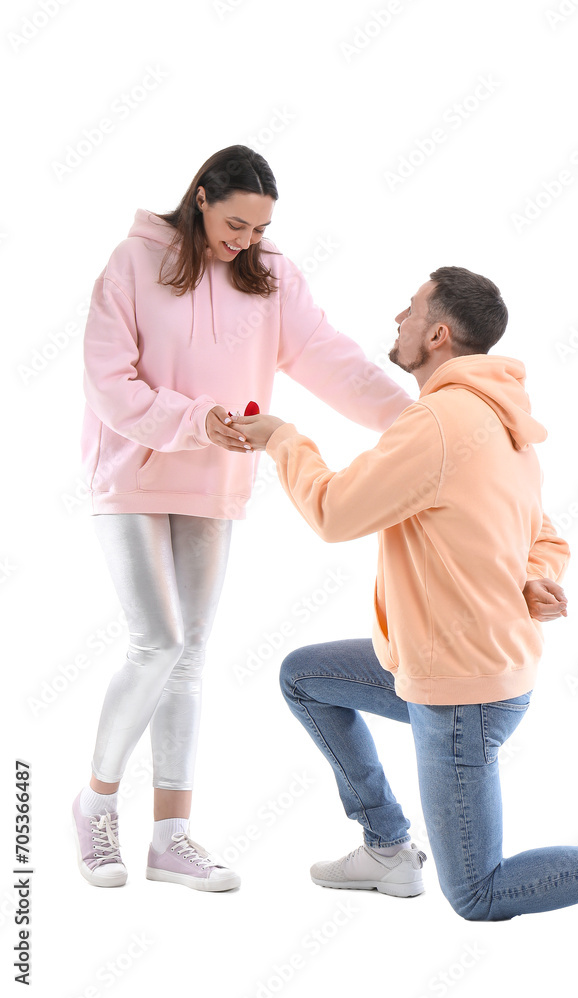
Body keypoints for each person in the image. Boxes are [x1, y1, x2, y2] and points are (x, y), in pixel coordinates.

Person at [231, 265, 578, 919]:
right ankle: (387, 848)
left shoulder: (437, 422)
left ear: (435, 334)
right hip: (453, 662)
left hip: (462, 694)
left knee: (477, 893)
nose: (395, 321)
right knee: (304, 677)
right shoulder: (499, 421)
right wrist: (537, 577)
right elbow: (543, 533)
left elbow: (334, 512)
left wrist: (284, 440)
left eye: (408, 310)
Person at [73, 145, 415, 892]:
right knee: (155, 641)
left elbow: (333, 360)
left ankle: (171, 837)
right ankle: (94, 805)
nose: (246, 241)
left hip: (215, 478)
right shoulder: (131, 265)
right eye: (235, 224)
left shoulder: (272, 278)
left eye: (259, 229)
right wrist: (197, 419)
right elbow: (108, 385)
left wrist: (420, 421)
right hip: (130, 471)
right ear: (200, 197)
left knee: (189, 654)